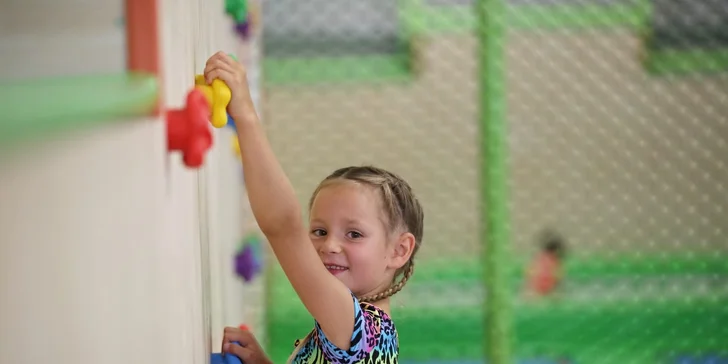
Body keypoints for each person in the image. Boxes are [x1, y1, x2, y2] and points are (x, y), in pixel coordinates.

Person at [203, 51, 425, 364]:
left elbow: (283, 227)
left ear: (399, 250)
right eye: (319, 231)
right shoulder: (362, 329)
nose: (329, 245)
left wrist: (246, 115)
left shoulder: (359, 330)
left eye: (354, 234)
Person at [525, 229, 567, 297]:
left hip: (535, 288)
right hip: (549, 289)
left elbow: (528, 274)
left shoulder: (538, 258)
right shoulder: (556, 261)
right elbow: (559, 278)